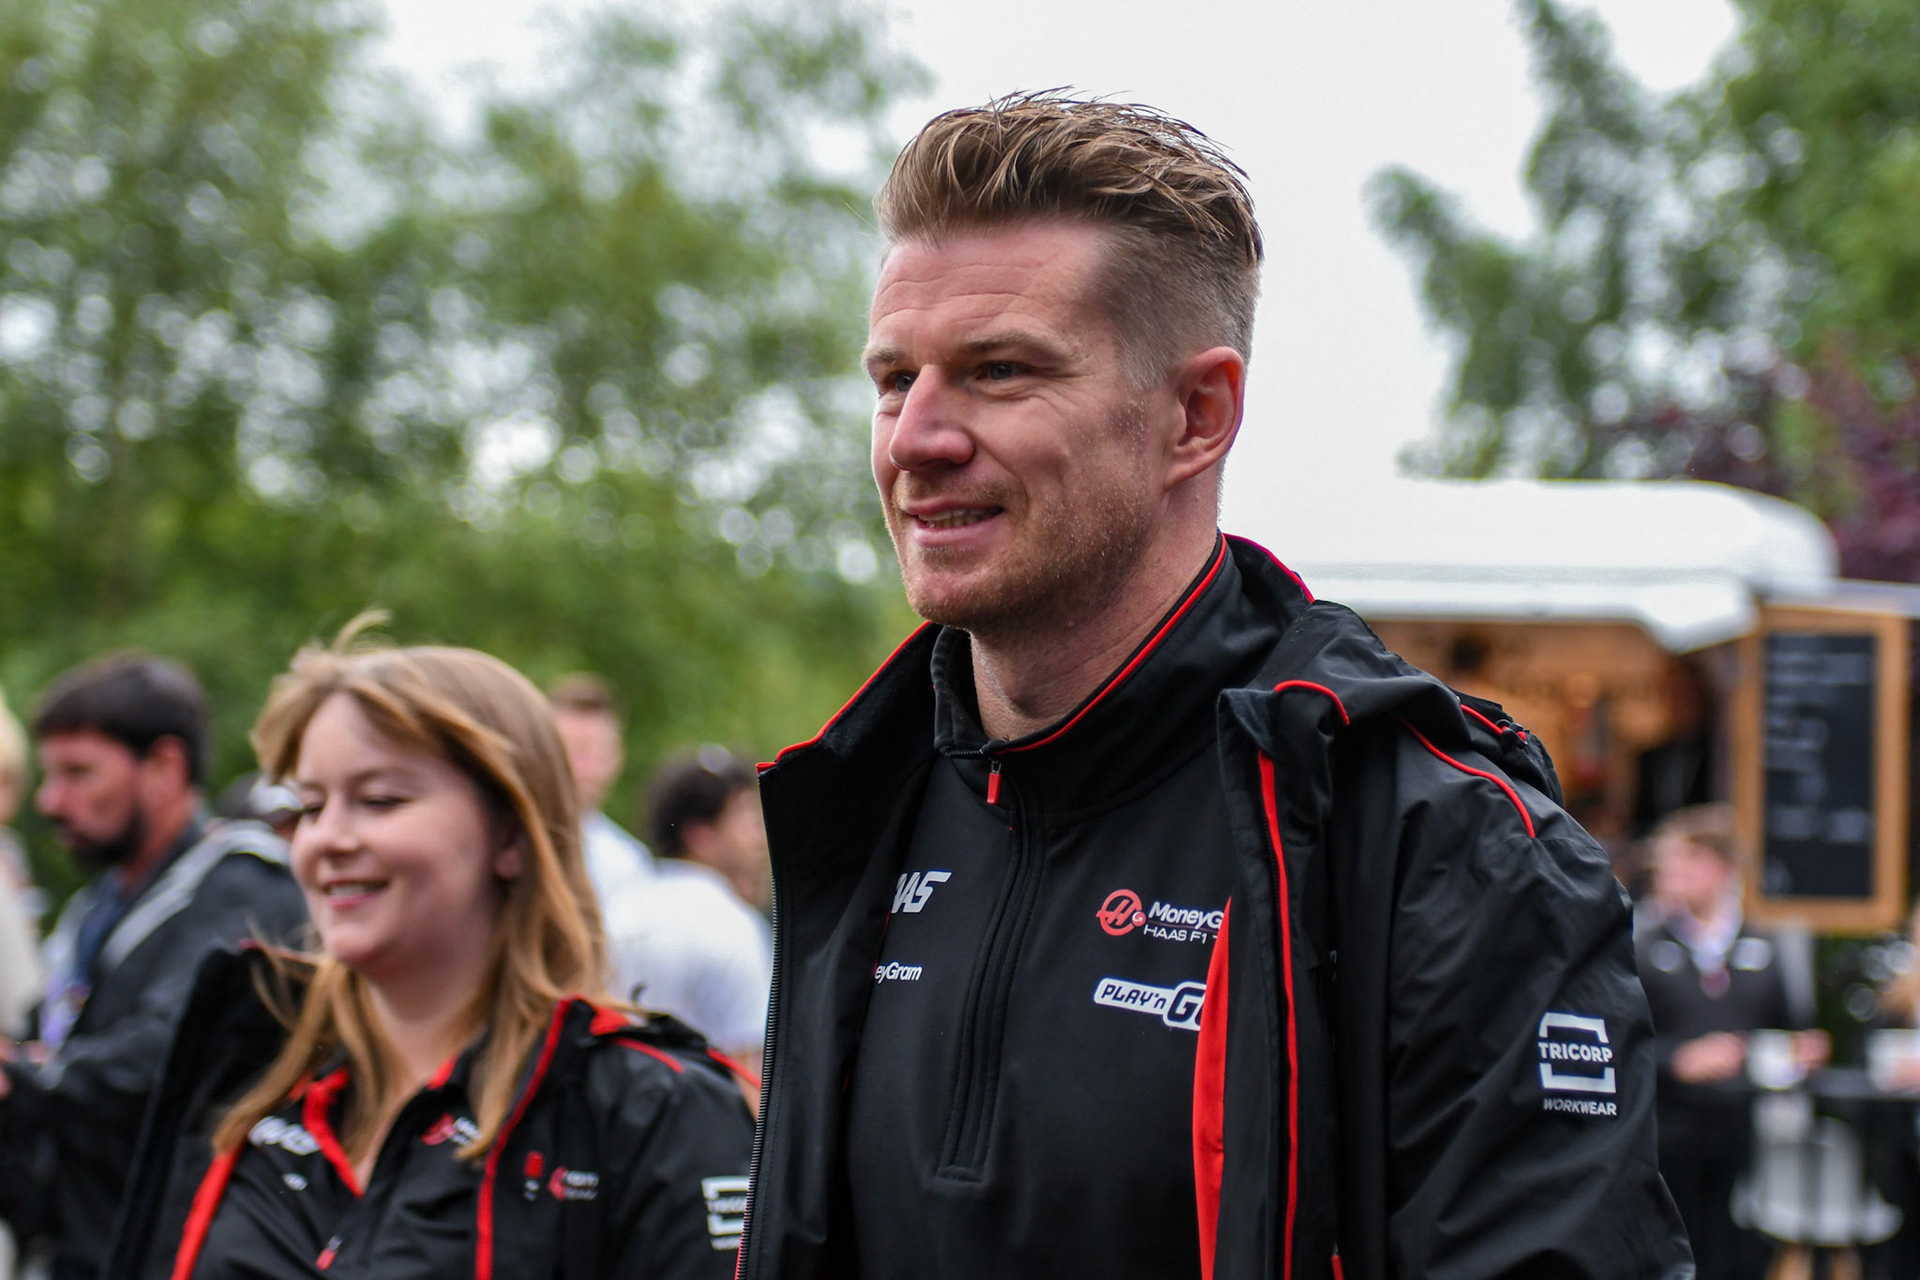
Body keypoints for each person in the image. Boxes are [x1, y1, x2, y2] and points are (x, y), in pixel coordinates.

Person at [737, 93, 1690, 1280]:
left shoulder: (1430, 836)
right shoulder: (858, 796)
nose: (916, 437)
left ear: (1198, 414)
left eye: (999, 371)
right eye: (893, 380)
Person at [103, 628, 756, 1278]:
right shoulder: (249, 1059)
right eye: (309, 806)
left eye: (380, 800)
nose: (326, 838)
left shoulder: (655, 1112)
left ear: (511, 834)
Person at [0, 654, 306, 1280]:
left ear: (164, 767)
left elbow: (167, 1054)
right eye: (51, 774)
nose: (50, 800)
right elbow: (47, 1036)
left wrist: (22, 1079)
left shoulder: (247, 886)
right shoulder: (95, 910)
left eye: (79, 773)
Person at [1637, 805, 1823, 1280]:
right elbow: (1622, 1040)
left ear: (1724, 868)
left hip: (1746, 1135)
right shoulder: (1643, 945)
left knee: (1739, 1257)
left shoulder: (1767, 946)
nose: (1673, 875)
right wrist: (1678, 1059)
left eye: (1687, 862)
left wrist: (1802, 1050)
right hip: (1666, 1138)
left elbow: (1789, 1028)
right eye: (1668, 864)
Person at [549, 678, 771, 1066]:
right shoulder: (503, 843)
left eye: (598, 750)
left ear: (617, 757)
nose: (584, 766)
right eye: (573, 749)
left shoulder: (626, 862)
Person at [648, 747, 773, 917]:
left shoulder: (641, 899)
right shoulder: (718, 919)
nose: (761, 837)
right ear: (700, 836)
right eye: (745, 815)